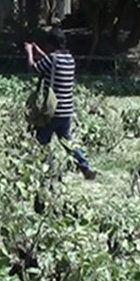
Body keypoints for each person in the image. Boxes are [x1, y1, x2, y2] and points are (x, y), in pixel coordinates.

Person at [25, 27, 96, 180]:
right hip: (66, 111)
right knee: (67, 141)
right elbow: (52, 65)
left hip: (51, 111)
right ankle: (85, 166)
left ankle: (50, 171)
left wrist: (30, 52)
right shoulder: (70, 59)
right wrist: (41, 52)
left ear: (51, 44)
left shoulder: (51, 59)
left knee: (42, 143)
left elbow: (34, 68)